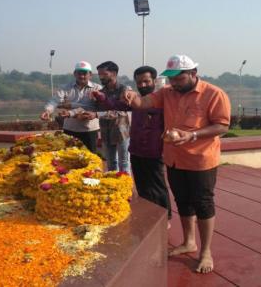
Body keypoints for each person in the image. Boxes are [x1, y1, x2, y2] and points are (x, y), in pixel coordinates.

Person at [122, 55, 231, 274]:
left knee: (203, 203)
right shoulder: (167, 93)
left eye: (178, 78)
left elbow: (222, 126)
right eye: (171, 78)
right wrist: (132, 97)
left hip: (201, 159)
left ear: (192, 73)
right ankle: (189, 242)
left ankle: (206, 251)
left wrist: (191, 135)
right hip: (174, 158)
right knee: (182, 201)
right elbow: (143, 103)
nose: (174, 83)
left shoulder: (213, 94)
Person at [93, 65, 171, 221]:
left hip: (154, 151)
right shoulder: (134, 100)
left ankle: (165, 218)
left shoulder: (163, 99)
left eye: (146, 81)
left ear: (154, 81)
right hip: (136, 149)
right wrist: (102, 98)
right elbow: (116, 105)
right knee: (142, 187)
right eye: (139, 82)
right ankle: (148, 216)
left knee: (157, 186)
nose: (142, 85)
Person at [40, 61, 101, 153]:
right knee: (69, 157)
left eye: (84, 73)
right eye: (79, 73)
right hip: (70, 128)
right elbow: (55, 100)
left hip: (90, 129)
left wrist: (70, 107)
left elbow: (92, 107)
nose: (82, 76)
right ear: (74, 74)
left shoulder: (97, 89)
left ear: (90, 75)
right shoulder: (66, 88)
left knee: (91, 157)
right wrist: (48, 111)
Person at [94, 61, 131, 172]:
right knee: (110, 164)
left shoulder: (124, 90)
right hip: (106, 131)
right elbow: (97, 109)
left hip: (122, 131)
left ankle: (125, 188)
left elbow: (121, 112)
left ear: (114, 73)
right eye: (99, 75)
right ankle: (112, 187)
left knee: (123, 163)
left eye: (104, 74)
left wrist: (97, 114)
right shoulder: (100, 92)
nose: (101, 77)